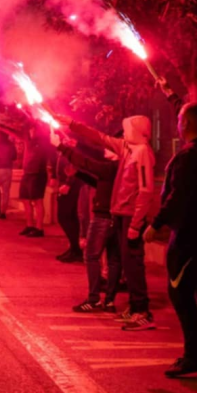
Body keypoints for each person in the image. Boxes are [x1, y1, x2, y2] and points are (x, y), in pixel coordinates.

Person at [144, 102, 197, 377]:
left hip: (191, 235)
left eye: (180, 118)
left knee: (180, 292)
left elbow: (177, 196)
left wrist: (156, 224)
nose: (178, 123)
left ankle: (194, 355)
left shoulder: (189, 156)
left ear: (186, 124)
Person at [59, 112, 157, 331]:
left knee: (133, 264)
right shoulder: (128, 149)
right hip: (121, 214)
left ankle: (143, 312)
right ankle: (134, 307)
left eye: (129, 127)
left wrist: (136, 223)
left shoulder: (142, 153)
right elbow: (100, 138)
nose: (125, 131)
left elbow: (146, 190)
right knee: (126, 262)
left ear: (138, 131)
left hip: (131, 216)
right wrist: (73, 124)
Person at [55, 133, 123, 313]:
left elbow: (87, 162)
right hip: (114, 216)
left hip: (103, 217)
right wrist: (79, 173)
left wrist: (62, 147)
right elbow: (98, 181)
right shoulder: (118, 168)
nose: (105, 150)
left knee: (91, 256)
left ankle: (93, 299)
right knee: (114, 259)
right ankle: (109, 301)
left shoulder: (111, 167)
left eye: (110, 148)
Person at [4, 123, 50, 237]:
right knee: (25, 200)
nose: (32, 132)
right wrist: (1, 127)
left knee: (37, 201)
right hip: (27, 174)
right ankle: (29, 225)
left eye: (34, 130)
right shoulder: (28, 140)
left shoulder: (44, 142)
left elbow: (51, 158)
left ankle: (39, 228)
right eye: (31, 130)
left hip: (38, 174)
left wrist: (52, 175)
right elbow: (15, 133)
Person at [52, 147, 83, 262]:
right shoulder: (63, 149)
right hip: (65, 183)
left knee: (65, 217)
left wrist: (68, 183)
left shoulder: (74, 148)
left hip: (72, 186)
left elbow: (75, 166)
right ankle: (74, 248)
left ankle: (76, 249)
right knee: (68, 218)